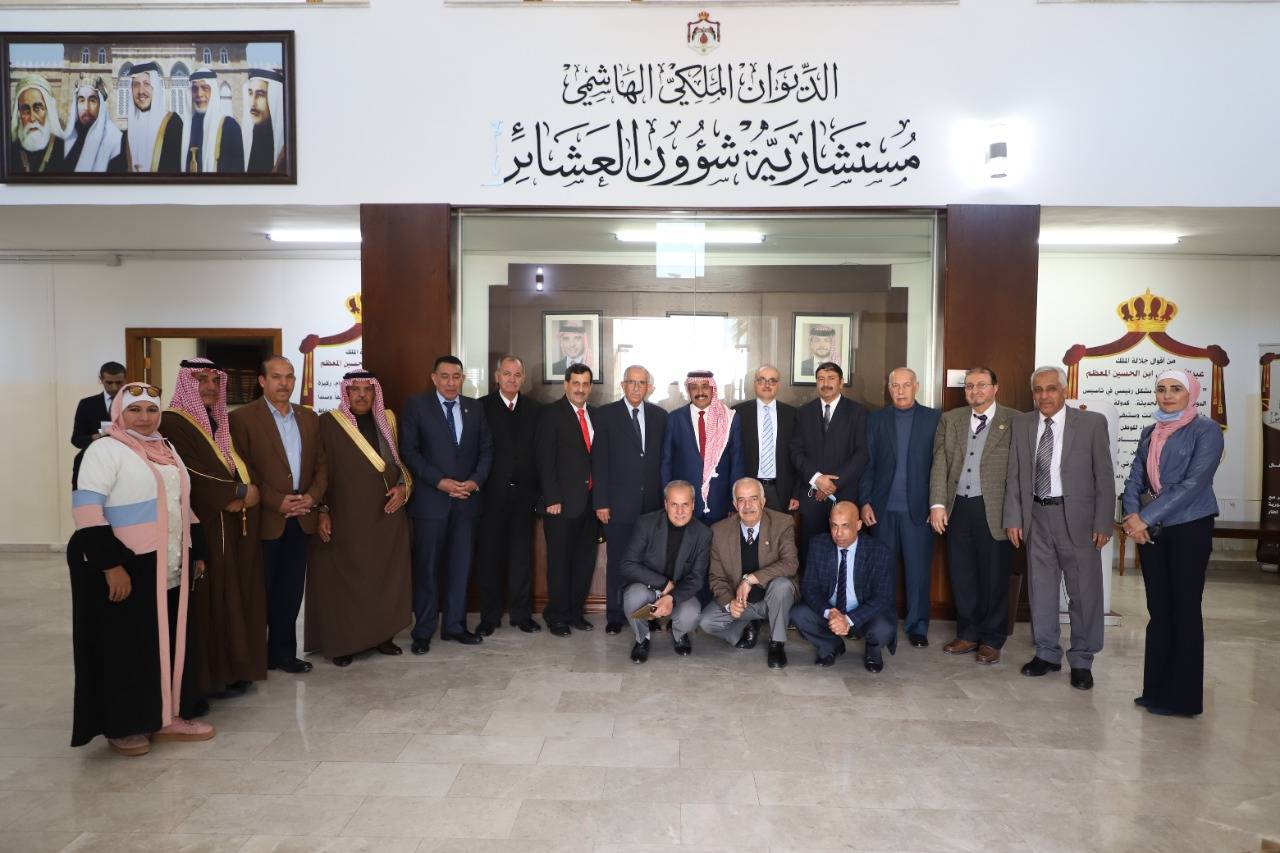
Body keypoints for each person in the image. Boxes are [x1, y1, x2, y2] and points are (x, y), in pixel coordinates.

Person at [69, 382, 214, 756]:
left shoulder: (166, 449)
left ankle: (165, 716)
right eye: (135, 410)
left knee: (160, 643)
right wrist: (111, 564)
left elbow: (183, 505)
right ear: (119, 413)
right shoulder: (104, 450)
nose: (144, 418)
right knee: (125, 647)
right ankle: (124, 725)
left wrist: (197, 552)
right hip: (127, 564)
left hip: (166, 562)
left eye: (151, 410)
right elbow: (87, 510)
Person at [159, 359, 266, 699]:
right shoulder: (173, 422)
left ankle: (234, 669)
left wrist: (246, 490)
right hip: (204, 525)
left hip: (231, 525)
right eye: (201, 380)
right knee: (211, 599)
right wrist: (236, 492)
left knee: (234, 595)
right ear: (186, 384)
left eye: (214, 381)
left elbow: (235, 464)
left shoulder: (217, 421)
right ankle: (210, 678)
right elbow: (188, 472)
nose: (209, 386)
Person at [1005, 366, 1114, 691]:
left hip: (1078, 520)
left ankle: (1081, 660)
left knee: (1084, 593)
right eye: (1038, 390)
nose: (1044, 396)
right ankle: (1047, 653)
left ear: (1064, 391)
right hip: (1036, 516)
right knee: (1042, 590)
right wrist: (1014, 517)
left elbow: (1105, 476)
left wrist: (1103, 521)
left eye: (1051, 388)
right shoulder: (1022, 424)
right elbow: (1014, 475)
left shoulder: (1091, 423)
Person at [1123, 369, 1223, 717]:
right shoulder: (1150, 431)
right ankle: (1155, 690)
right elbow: (1135, 477)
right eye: (1162, 389)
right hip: (1151, 529)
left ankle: (1181, 699)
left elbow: (1194, 484)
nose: (1167, 395)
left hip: (1189, 526)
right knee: (1159, 609)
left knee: (1184, 609)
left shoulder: (1206, 430)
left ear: (1190, 394)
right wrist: (1132, 516)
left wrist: (1145, 518)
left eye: (1175, 389)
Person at [229, 356, 327, 675]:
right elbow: (243, 469)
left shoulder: (309, 417)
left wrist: (312, 497)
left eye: (289, 377)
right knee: (260, 592)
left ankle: (283, 654)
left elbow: (321, 464)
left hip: (302, 515)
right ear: (262, 381)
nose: (284, 383)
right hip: (266, 518)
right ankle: (256, 657)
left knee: (290, 591)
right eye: (276, 377)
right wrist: (277, 502)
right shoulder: (242, 418)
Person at [306, 372, 412, 666]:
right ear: (346, 393)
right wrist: (322, 510)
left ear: (375, 393)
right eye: (356, 390)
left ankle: (382, 636)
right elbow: (318, 470)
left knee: (383, 578)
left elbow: (402, 462)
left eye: (368, 389)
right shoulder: (328, 424)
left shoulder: (387, 421)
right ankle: (344, 643)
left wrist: (404, 487)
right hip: (345, 515)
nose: (362, 395)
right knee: (345, 581)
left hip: (386, 515)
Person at [401, 356, 493, 652]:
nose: (451, 382)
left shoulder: (475, 408)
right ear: (434, 378)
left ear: (463, 378)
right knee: (426, 569)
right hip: (431, 503)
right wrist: (440, 481)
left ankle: (455, 626)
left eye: (456, 376)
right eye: (445, 376)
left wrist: (474, 481)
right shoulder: (417, 406)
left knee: (460, 567)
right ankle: (423, 630)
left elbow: (486, 450)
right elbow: (410, 452)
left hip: (466, 502)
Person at [929, 367, 1016, 665]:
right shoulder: (951, 419)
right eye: (969, 386)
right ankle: (967, 633)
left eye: (981, 385)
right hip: (958, 507)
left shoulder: (1014, 420)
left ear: (995, 388)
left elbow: (1020, 472)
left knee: (994, 576)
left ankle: (992, 639)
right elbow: (940, 462)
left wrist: (1016, 515)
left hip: (995, 509)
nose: (974, 391)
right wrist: (937, 504)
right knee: (961, 573)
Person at [859, 367, 942, 649]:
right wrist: (865, 501)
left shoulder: (934, 419)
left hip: (919, 510)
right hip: (881, 509)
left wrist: (936, 503)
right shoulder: (876, 419)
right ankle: (884, 625)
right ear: (889, 388)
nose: (901, 391)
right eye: (895, 385)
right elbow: (868, 465)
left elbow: (941, 465)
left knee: (918, 572)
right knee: (883, 573)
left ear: (916, 386)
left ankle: (917, 626)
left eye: (906, 385)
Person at [592, 365, 668, 634]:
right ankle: (615, 616)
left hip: (652, 506)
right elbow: (599, 461)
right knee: (618, 561)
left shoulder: (660, 416)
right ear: (622, 385)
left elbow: (662, 461)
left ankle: (648, 615)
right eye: (631, 382)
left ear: (649, 387)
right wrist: (601, 502)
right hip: (617, 505)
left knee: (651, 564)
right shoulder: (606, 415)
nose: (636, 387)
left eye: (641, 383)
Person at [475, 356, 543, 635]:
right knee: (489, 559)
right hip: (491, 497)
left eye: (517, 375)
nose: (512, 379)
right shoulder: (480, 407)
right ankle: (489, 617)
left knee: (521, 560)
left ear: (523, 379)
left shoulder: (535, 410)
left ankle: (521, 615)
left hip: (524, 498)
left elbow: (539, 455)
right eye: (507, 374)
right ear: (497, 376)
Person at [698, 477, 797, 668]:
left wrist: (751, 579)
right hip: (743, 603)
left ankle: (777, 643)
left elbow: (790, 564)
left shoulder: (782, 522)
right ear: (735, 504)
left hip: (772, 601)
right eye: (741, 500)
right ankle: (745, 627)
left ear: (763, 501)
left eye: (753, 498)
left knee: (782, 585)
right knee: (707, 622)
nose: (747, 505)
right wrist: (730, 604)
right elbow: (716, 577)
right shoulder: (719, 531)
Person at [789, 501, 897, 672]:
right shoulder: (818, 544)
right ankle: (830, 645)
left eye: (845, 526)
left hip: (863, 615)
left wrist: (848, 619)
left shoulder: (878, 550)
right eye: (834, 526)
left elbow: (882, 597)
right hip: (831, 613)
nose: (838, 533)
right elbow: (810, 588)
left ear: (858, 525)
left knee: (884, 627)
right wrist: (830, 612)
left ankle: (873, 651)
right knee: (798, 614)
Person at [535, 363, 599, 637]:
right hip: (560, 504)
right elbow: (544, 459)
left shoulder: (595, 415)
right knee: (560, 563)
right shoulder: (551, 414)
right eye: (575, 383)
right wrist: (552, 497)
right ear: (565, 384)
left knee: (584, 562)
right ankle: (557, 616)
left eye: (585, 384)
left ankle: (575, 613)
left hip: (590, 503)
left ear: (590, 387)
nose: (580, 389)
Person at [619, 481, 711, 663]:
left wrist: (671, 597)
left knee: (691, 614)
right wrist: (663, 584)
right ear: (666, 504)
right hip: (648, 589)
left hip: (679, 592)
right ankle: (642, 639)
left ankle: (679, 634)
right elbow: (627, 564)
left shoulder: (703, 534)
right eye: (674, 504)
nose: (680, 511)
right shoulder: (646, 523)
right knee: (633, 598)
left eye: (685, 504)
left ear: (693, 505)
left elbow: (697, 578)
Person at [791, 361, 869, 558]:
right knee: (811, 554)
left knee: (845, 555)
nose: (826, 383)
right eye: (821, 379)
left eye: (831, 378)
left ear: (841, 382)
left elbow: (861, 454)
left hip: (845, 495)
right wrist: (817, 479)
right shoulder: (803, 412)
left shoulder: (858, 412)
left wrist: (833, 484)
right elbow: (796, 452)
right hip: (812, 498)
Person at [660, 370, 745, 525]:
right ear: (688, 390)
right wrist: (668, 499)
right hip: (683, 505)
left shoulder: (730, 419)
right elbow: (666, 462)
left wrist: (735, 502)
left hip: (719, 502)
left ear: (713, 389)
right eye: (694, 388)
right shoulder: (675, 418)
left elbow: (737, 464)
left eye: (705, 387)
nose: (700, 392)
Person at [733, 365, 801, 513]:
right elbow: (732, 455)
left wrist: (796, 493)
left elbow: (797, 455)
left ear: (778, 385)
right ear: (754, 383)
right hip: (747, 490)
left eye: (772, 381)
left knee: (779, 528)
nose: (767, 385)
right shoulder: (738, 413)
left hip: (782, 490)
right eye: (762, 380)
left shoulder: (792, 414)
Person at [72, 361, 127, 486]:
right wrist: (97, 436)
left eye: (119, 383)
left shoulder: (134, 405)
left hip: (126, 464)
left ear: (125, 380)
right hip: (93, 464)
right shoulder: (87, 404)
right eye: (109, 383)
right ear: (101, 380)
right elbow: (76, 439)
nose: (114, 387)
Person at [122, 61, 183, 173]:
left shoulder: (173, 124)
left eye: (146, 84)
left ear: (155, 87)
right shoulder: (126, 136)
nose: (141, 91)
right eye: (136, 85)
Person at [181, 68, 244, 173]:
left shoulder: (230, 127)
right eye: (195, 89)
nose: (199, 94)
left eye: (205, 88)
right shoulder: (186, 128)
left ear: (213, 91)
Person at [61, 77, 125, 173]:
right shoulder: (65, 141)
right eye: (81, 100)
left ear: (100, 105)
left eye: (92, 100)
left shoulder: (116, 141)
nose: (86, 108)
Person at [8, 74, 65, 174]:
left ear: (48, 111)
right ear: (19, 114)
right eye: (25, 110)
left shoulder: (64, 150)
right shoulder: (10, 151)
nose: (32, 118)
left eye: (37, 108)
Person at [243, 68, 287, 173]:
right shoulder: (248, 137)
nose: (252, 103)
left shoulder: (286, 150)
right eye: (250, 93)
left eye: (260, 94)